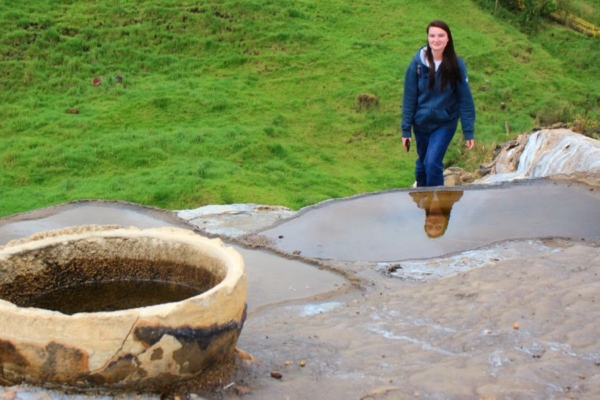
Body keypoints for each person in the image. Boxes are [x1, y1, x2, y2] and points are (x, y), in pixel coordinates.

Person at [400, 20, 476, 187]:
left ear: (448, 38)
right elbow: (409, 98)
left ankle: (439, 208)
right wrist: (406, 130)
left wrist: (468, 130)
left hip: (445, 122)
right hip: (421, 123)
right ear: (428, 38)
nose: (436, 40)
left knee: (432, 163)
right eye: (432, 35)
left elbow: (465, 99)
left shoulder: (456, 65)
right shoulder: (417, 65)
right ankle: (423, 202)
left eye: (441, 35)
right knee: (422, 165)